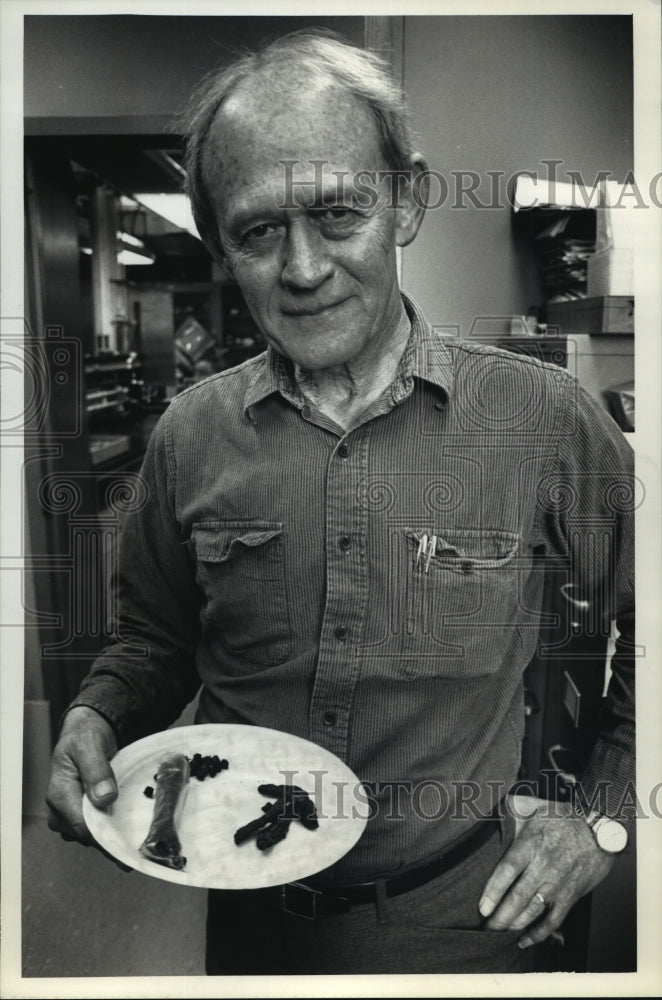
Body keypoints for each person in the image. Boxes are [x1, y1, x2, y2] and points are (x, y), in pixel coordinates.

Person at [46, 30, 635, 975]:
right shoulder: (190, 436)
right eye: (258, 231)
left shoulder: (543, 421)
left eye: (339, 213)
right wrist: (99, 715)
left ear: (407, 201)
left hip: (465, 922)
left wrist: (602, 820)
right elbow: (153, 639)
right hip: (249, 923)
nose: (305, 268)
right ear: (221, 243)